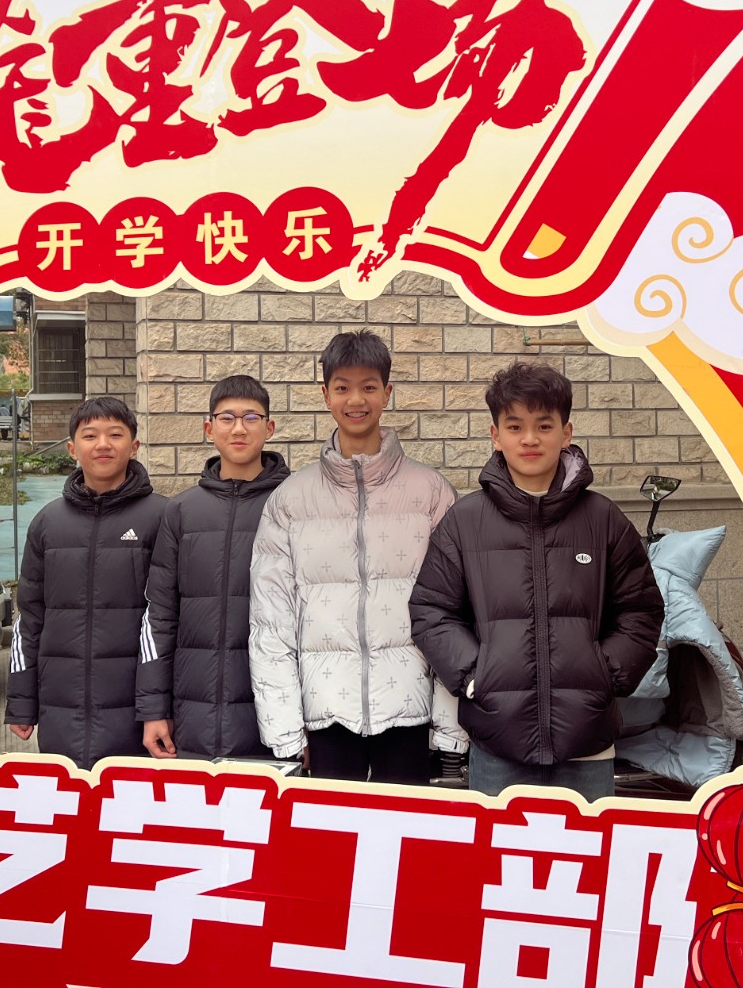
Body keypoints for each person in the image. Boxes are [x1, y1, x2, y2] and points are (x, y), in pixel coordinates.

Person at [409, 361, 663, 802]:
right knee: (499, 849)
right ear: (496, 435)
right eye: (515, 426)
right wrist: (474, 675)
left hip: (587, 746)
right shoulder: (465, 522)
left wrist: (605, 674)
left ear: (566, 433)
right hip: (497, 745)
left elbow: (640, 610)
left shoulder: (603, 519)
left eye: (544, 425)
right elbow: (432, 610)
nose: (530, 439)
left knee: (586, 849)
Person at [250, 330, 465, 783]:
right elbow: (271, 620)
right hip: (325, 714)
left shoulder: (431, 493)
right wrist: (285, 729)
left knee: (407, 827)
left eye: (368, 386)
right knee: (331, 828)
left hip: (410, 711)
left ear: (387, 392)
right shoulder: (291, 499)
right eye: (343, 387)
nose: (356, 400)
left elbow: (455, 612)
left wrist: (450, 723)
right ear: (325, 395)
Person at [5, 396, 166, 767]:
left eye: (115, 434)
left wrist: (157, 707)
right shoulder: (48, 523)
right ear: (72, 448)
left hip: (135, 712)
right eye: (90, 435)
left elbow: (166, 621)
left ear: (135, 446)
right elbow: (29, 617)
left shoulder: (162, 516)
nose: (103, 444)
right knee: (68, 796)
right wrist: (21, 700)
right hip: (62, 707)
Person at [137, 375, 288, 760]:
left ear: (269, 427)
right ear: (209, 428)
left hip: (274, 718)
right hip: (193, 717)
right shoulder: (182, 511)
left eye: (251, 417)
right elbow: (160, 615)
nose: (239, 428)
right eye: (227, 418)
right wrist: (154, 709)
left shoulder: (293, 505)